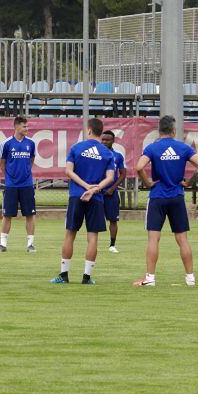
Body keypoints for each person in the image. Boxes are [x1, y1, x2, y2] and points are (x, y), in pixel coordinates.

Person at [134, 116, 198, 287]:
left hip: (157, 196)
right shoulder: (183, 147)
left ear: (159, 131)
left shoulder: (152, 147)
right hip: (177, 196)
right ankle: (190, 278)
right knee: (182, 239)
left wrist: (147, 183)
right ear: (174, 131)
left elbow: (139, 167)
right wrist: (189, 182)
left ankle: (150, 278)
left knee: (153, 238)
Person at [50, 118, 115, 285]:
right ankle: (87, 277)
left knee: (70, 234)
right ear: (101, 132)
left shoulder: (76, 148)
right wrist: (94, 189)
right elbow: (110, 177)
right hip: (96, 198)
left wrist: (85, 186)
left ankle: (64, 275)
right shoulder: (107, 153)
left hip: (77, 195)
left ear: (89, 130)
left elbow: (68, 171)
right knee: (92, 237)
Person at [0, 116, 37, 253]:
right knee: (7, 215)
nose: (27, 128)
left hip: (27, 184)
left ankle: (30, 245)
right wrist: (10, 178)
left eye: (27, 126)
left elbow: (31, 160)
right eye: (24, 126)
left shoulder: (31, 143)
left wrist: (25, 173)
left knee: (30, 214)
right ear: (16, 126)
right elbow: (2, 164)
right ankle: (2, 244)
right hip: (11, 185)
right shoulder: (6, 144)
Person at [101, 130, 126, 253]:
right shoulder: (96, 154)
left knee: (113, 219)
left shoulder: (118, 156)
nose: (104, 142)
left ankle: (112, 245)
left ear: (113, 141)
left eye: (107, 140)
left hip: (111, 193)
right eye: (103, 139)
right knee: (93, 218)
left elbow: (123, 174)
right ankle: (93, 242)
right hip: (97, 192)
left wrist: (112, 188)